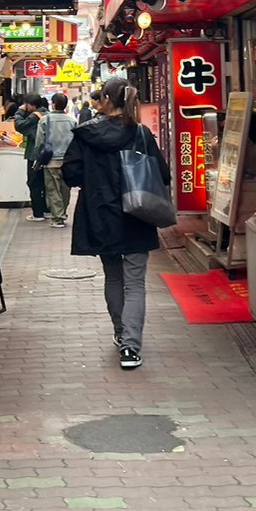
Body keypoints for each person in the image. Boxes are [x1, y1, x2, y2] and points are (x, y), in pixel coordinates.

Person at [63, 77, 168, 370]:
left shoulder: (86, 135)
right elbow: (163, 173)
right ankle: (131, 348)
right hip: (137, 214)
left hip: (100, 215)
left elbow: (70, 175)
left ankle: (122, 334)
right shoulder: (142, 134)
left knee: (113, 278)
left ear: (106, 100)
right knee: (135, 283)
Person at [41, 92, 77, 227]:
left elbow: (40, 142)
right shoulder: (72, 121)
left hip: (51, 161)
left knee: (53, 190)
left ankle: (58, 217)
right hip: (67, 161)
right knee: (65, 189)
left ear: (53, 104)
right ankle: (62, 213)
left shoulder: (45, 120)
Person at [12, 93, 49, 222]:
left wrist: (19, 112)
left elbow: (19, 126)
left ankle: (38, 213)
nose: (25, 106)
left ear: (32, 105)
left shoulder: (34, 117)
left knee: (34, 183)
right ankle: (46, 209)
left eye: (26, 104)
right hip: (47, 154)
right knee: (45, 183)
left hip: (34, 154)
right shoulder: (47, 113)